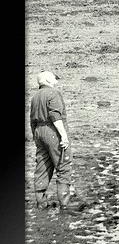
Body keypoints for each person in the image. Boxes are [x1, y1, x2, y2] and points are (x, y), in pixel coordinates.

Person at [29, 71, 82, 212]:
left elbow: (32, 120)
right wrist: (63, 136)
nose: (56, 81)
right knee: (63, 165)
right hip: (53, 131)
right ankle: (65, 204)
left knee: (42, 167)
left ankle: (41, 203)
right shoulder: (53, 93)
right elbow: (55, 116)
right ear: (47, 79)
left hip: (39, 131)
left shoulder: (35, 97)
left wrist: (36, 137)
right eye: (54, 78)